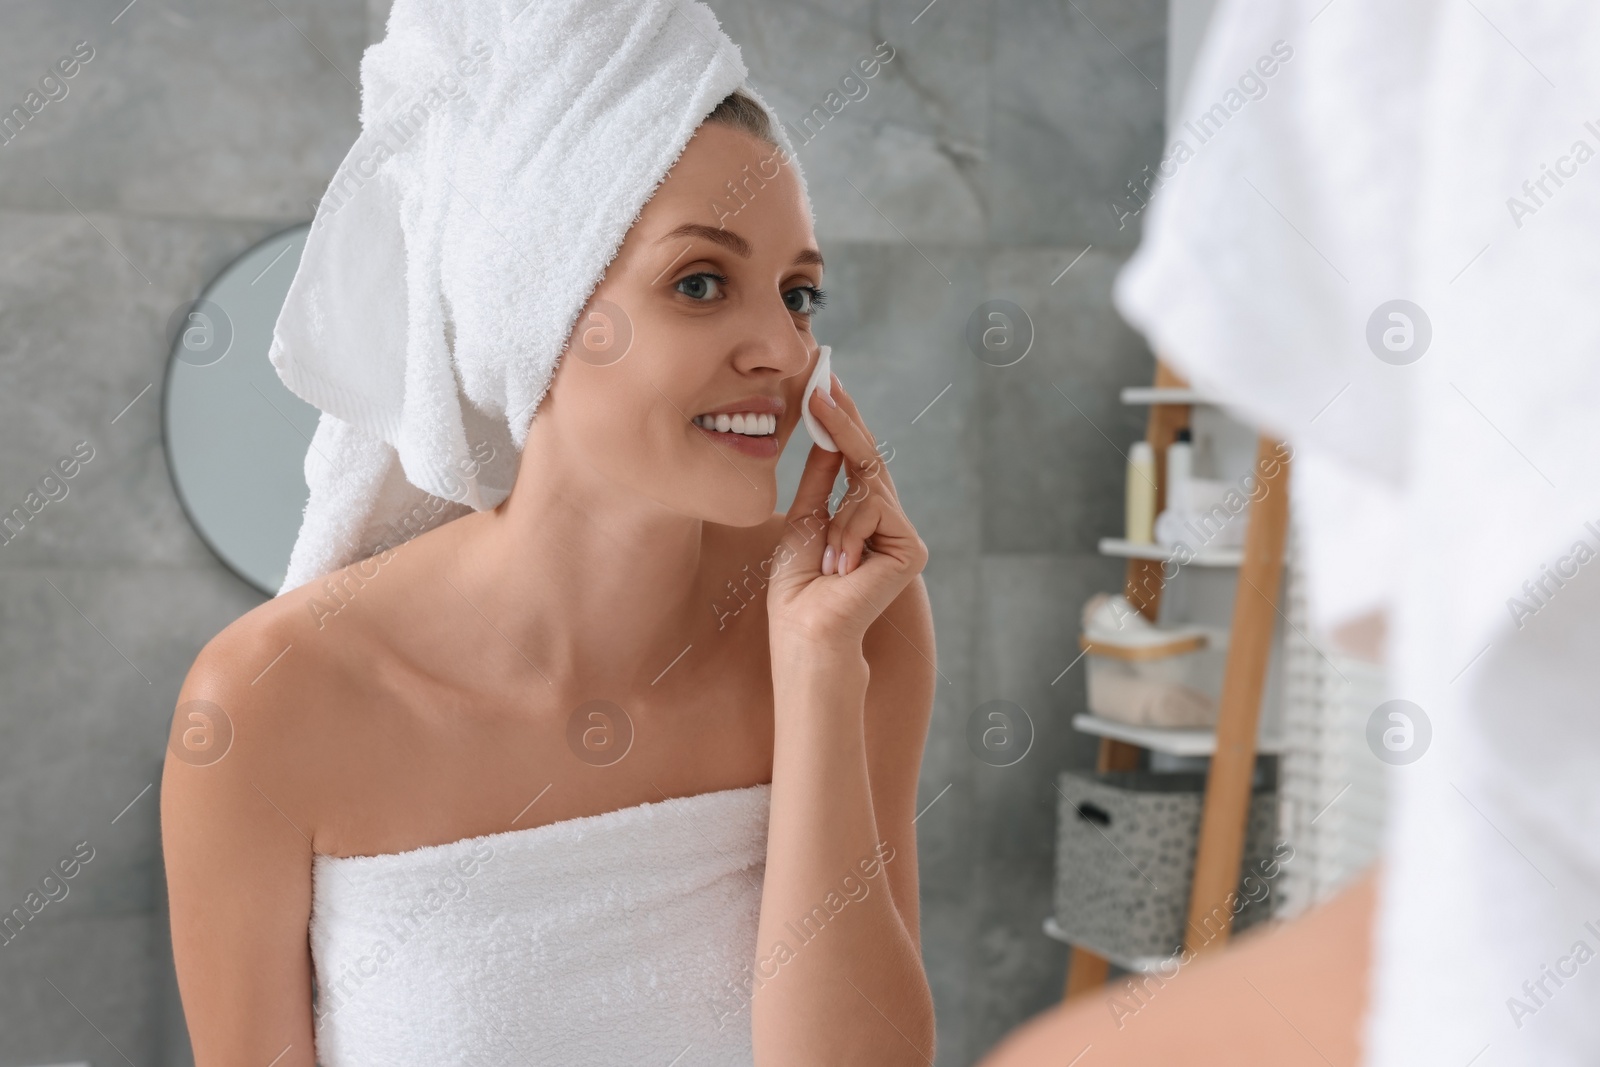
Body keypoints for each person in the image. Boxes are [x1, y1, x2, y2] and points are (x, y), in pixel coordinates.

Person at [159, 4, 936, 1064]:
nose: (781, 349)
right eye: (699, 282)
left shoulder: (849, 619)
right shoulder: (270, 700)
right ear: (534, 308)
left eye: (798, 293)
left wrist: (813, 672)